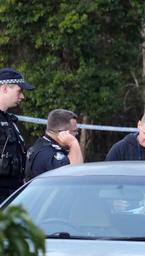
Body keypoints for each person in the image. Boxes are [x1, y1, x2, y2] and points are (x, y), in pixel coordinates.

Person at [0, 67, 33, 201]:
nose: (22, 96)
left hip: (12, 194)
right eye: (19, 91)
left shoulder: (9, 120)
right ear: (5, 88)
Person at [25, 109, 83, 180]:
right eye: (74, 131)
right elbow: (75, 174)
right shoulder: (46, 153)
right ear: (62, 132)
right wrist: (73, 143)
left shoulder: (44, 145)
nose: (77, 133)